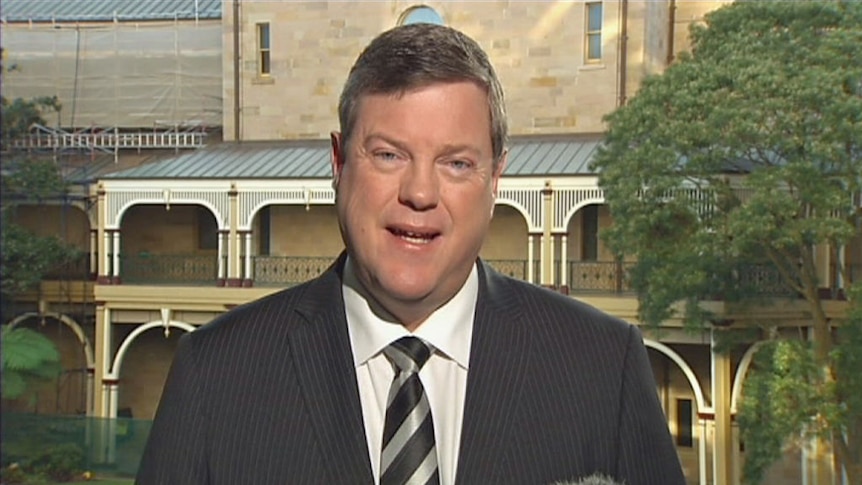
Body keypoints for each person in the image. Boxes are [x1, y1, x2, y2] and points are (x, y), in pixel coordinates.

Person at [136, 23, 685, 485]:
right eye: (389, 154)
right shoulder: (215, 375)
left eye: (456, 163)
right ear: (338, 161)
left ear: (496, 178)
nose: (420, 194)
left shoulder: (601, 366)